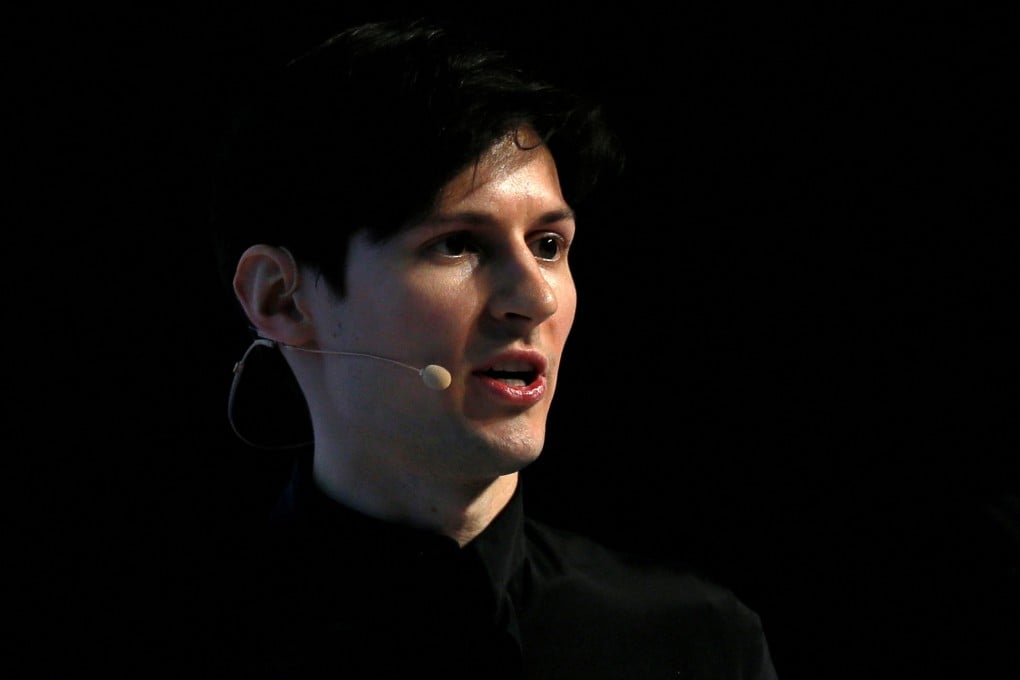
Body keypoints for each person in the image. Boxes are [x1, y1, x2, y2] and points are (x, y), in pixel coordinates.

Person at [196, 16, 779, 679]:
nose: (537, 299)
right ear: (281, 298)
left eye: (548, 245)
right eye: (459, 243)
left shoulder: (694, 642)